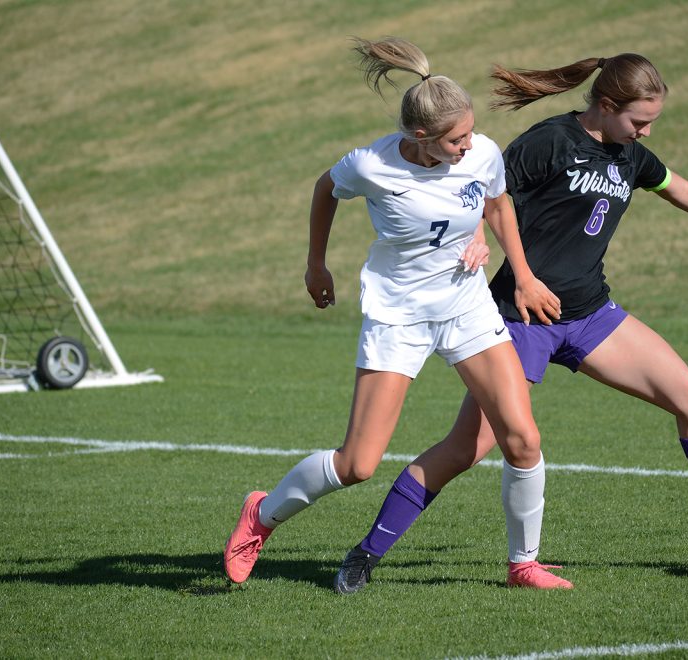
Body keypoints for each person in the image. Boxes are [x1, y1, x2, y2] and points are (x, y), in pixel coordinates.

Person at [332, 52, 688, 594]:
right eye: (638, 120)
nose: (646, 131)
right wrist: (475, 239)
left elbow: (680, 189)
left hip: (590, 315)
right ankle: (365, 553)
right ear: (606, 106)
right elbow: (486, 193)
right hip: (519, 321)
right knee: (466, 448)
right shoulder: (551, 141)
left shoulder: (630, 155)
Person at [224, 36, 572, 593]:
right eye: (455, 139)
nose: (469, 145)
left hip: (466, 306)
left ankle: (523, 565)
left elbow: (496, 202)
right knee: (357, 464)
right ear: (420, 137)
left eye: (470, 132)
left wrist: (521, 272)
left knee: (522, 440)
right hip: (398, 316)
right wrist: (316, 265)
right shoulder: (371, 165)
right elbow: (325, 189)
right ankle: (260, 518)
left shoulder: (481, 152)